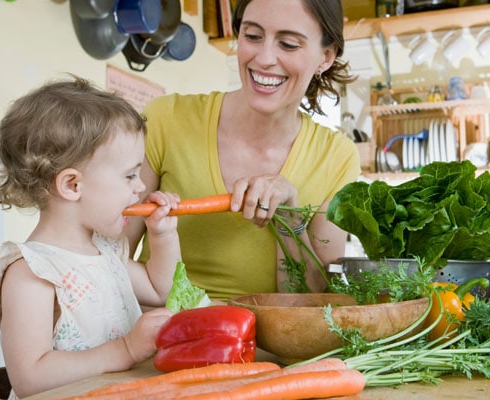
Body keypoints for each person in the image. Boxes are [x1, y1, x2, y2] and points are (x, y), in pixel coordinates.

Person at [124, 0, 360, 301]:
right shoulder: (165, 120)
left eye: (288, 44)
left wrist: (289, 219)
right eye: (252, 36)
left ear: (325, 57)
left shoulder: (336, 157)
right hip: (162, 336)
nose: (264, 58)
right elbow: (111, 256)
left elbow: (312, 301)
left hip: (266, 345)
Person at [0, 77, 181, 399]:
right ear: (73, 185)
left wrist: (163, 235)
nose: (140, 187)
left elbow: (161, 291)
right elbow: (29, 378)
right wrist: (126, 349)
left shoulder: (106, 251)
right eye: (130, 175)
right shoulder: (32, 272)